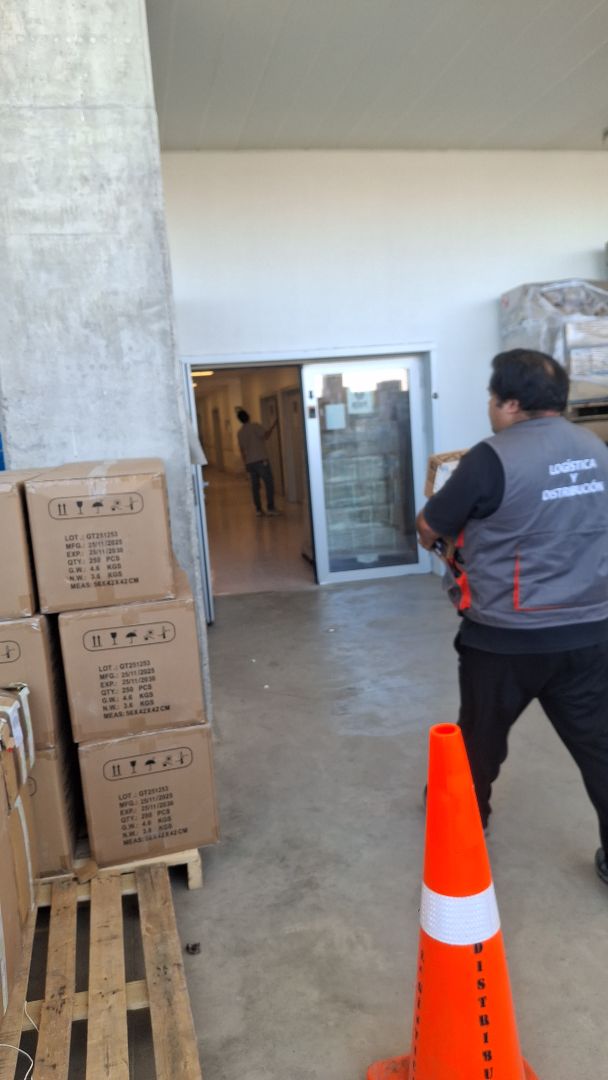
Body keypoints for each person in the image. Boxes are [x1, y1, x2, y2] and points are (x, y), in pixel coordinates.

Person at [416, 348, 608, 885]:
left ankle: (467, 832)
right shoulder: (596, 449)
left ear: (509, 403)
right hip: (591, 633)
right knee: (599, 747)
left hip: (506, 637)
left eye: (491, 398)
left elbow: (430, 526)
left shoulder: (490, 458)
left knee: (479, 740)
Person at [236, 409, 280, 516]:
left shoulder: (240, 433)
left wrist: (245, 463)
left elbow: (242, 450)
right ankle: (270, 508)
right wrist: (273, 426)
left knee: (255, 487)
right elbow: (266, 436)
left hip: (250, 462)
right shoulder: (255, 426)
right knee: (269, 483)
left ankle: (258, 510)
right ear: (248, 416)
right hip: (261, 460)